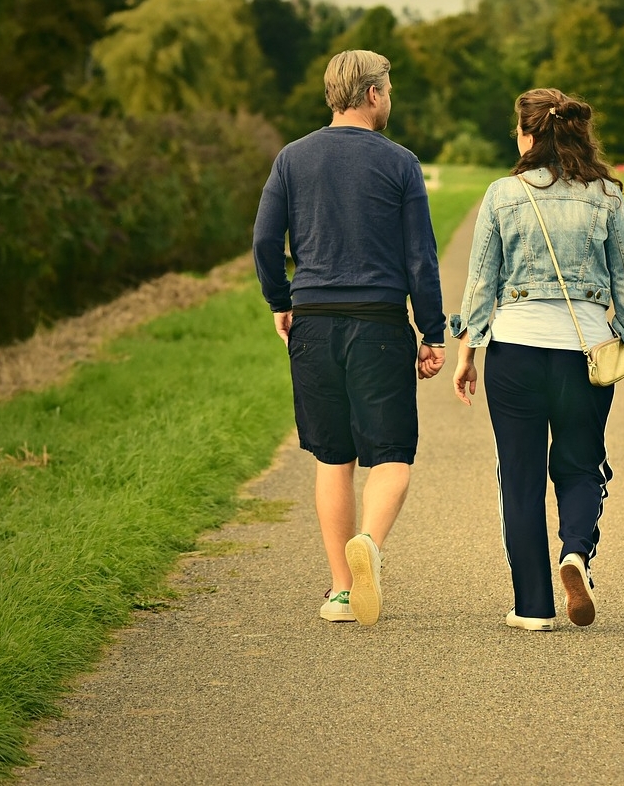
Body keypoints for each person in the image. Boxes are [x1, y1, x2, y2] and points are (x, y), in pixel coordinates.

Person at [449, 88, 624, 631]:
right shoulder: (607, 197)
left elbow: (481, 283)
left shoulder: (501, 195)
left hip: (515, 352)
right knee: (580, 465)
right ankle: (575, 553)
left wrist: (467, 354)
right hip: (585, 355)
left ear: (529, 134)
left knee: (519, 478)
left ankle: (532, 607)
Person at [252, 50, 446, 626]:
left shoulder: (291, 159)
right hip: (379, 324)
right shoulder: (401, 164)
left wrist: (280, 301)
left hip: (312, 321)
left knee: (333, 457)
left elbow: (265, 241)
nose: (390, 99)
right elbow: (420, 258)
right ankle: (369, 543)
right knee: (390, 455)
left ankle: (341, 588)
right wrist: (431, 333)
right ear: (371, 95)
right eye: (388, 89)